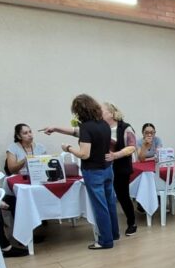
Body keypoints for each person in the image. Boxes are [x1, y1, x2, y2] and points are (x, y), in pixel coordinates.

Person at [46, 93, 118, 249]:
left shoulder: (86, 127)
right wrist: (56, 128)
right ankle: (113, 234)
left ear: (79, 111)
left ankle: (105, 241)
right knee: (110, 202)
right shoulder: (103, 124)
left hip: (94, 172)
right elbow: (75, 131)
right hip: (107, 169)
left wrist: (68, 148)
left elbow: (85, 154)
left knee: (100, 206)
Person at [103, 102, 139, 237]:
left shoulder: (125, 128)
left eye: (102, 111)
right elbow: (79, 132)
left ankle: (132, 223)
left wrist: (115, 155)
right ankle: (110, 227)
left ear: (111, 113)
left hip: (121, 167)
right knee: (106, 197)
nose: (99, 113)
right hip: (104, 168)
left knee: (123, 196)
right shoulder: (101, 128)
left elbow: (132, 147)